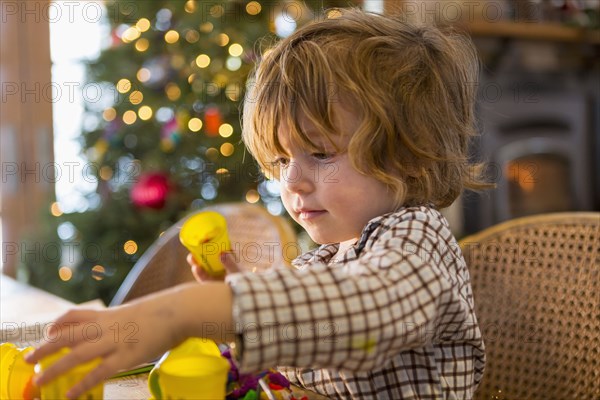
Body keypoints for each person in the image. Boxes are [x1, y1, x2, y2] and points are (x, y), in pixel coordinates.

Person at [26, 8, 490, 399]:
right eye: (282, 157)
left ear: (409, 154)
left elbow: (367, 312)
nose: (291, 179)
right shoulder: (335, 255)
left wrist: (183, 311)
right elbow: (301, 337)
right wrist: (234, 308)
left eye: (321, 153)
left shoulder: (419, 239)